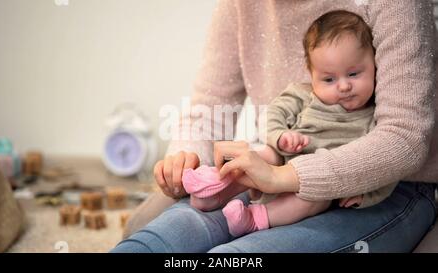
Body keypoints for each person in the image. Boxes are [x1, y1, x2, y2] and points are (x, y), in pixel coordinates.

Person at [116, 1, 438, 252]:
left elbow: (404, 137)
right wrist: (185, 156)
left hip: (386, 185)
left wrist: (285, 178)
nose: (342, 86)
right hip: (277, 167)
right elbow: (212, 100)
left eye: (352, 75)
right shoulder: (240, 5)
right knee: (160, 238)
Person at [181, 10, 398, 238]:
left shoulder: (374, 118)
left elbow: (385, 166)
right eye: (329, 79)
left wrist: (367, 196)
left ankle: (255, 219)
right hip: (282, 159)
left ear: (374, 64)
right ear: (312, 74)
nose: (343, 86)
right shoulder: (304, 95)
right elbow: (274, 113)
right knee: (263, 154)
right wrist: (280, 136)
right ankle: (214, 185)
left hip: (321, 180)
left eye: (353, 74)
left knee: (314, 199)